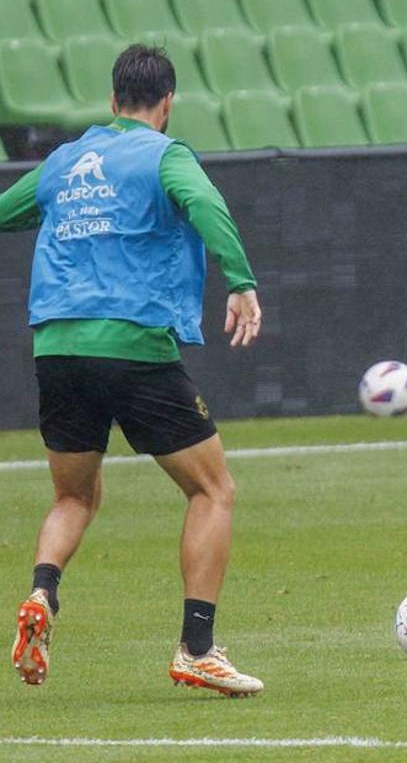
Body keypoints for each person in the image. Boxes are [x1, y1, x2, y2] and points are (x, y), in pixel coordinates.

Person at [2, 45, 264, 697]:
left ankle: (43, 591)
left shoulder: (64, 163)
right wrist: (240, 281)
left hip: (57, 346)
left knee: (74, 496)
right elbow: (205, 205)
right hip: (132, 346)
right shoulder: (165, 155)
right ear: (166, 103)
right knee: (213, 490)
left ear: (113, 99)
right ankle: (196, 648)